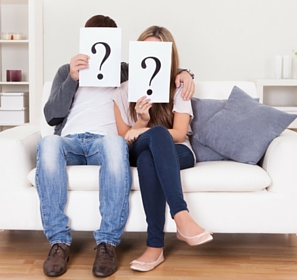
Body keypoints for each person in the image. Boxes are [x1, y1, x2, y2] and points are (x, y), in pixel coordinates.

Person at [35, 16, 195, 278]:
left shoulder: (125, 71)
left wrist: (185, 73)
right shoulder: (66, 71)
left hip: (106, 141)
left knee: (114, 144)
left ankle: (107, 243)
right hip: (71, 140)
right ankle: (58, 242)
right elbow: (51, 116)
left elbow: (158, 67)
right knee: (48, 143)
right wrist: (72, 78)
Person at [112, 25, 212, 272]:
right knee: (149, 146)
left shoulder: (179, 87)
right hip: (138, 146)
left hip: (178, 151)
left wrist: (145, 130)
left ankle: (154, 248)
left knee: (148, 159)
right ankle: (182, 217)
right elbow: (124, 138)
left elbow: (178, 134)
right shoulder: (122, 91)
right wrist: (143, 121)